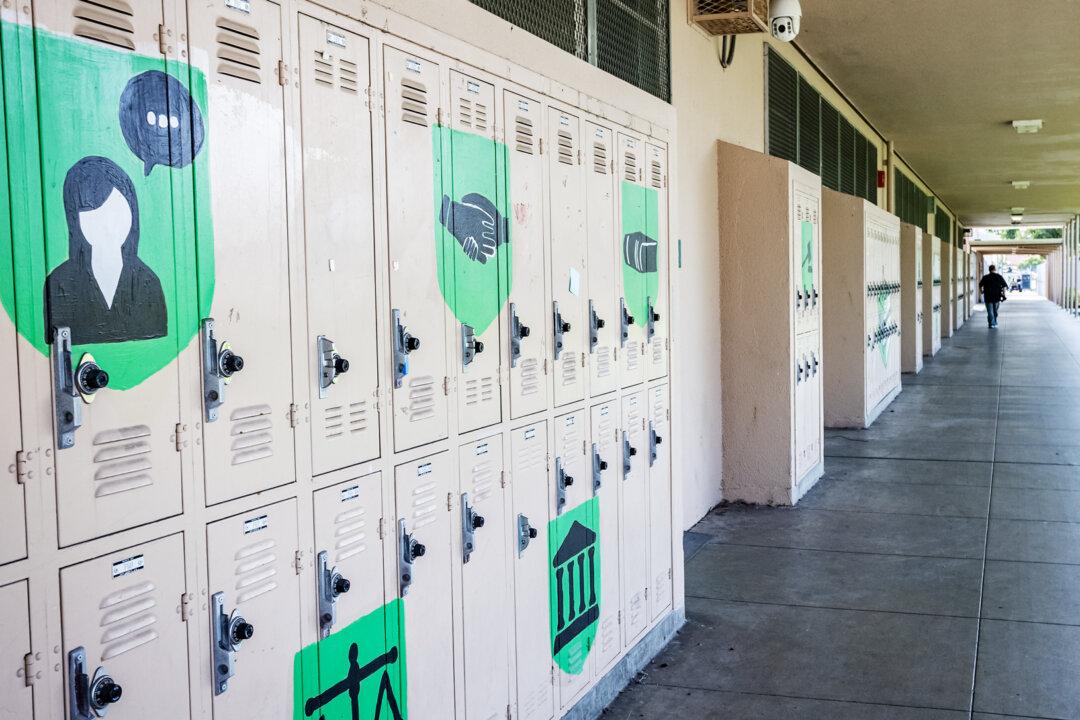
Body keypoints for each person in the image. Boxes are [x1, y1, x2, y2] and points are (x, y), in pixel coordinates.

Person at [45, 156, 167, 345]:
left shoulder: (149, 282)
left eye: (116, 211)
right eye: (93, 213)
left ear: (131, 210)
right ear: (75, 221)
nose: (108, 225)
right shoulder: (58, 283)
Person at [979, 264, 1008, 329]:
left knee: (990, 311)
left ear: (989, 270)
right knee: (995, 311)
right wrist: (1003, 294)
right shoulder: (999, 276)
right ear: (994, 269)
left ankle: (992, 323)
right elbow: (1004, 286)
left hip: (988, 297)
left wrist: (981, 291)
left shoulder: (985, 277)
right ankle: (993, 323)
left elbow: (980, 285)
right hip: (997, 297)